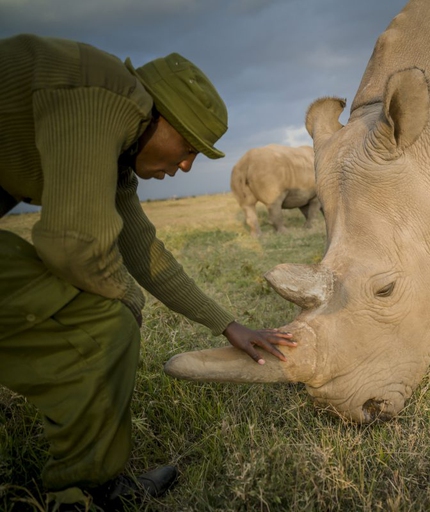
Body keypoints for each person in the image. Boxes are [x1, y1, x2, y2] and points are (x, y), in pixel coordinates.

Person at [0, 34, 296, 510]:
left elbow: (144, 252)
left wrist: (227, 323)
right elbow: (72, 244)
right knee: (104, 322)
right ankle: (82, 494)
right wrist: (127, 300)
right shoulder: (100, 99)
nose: (185, 164)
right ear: (155, 116)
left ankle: (88, 486)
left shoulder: (115, 144)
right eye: (188, 146)